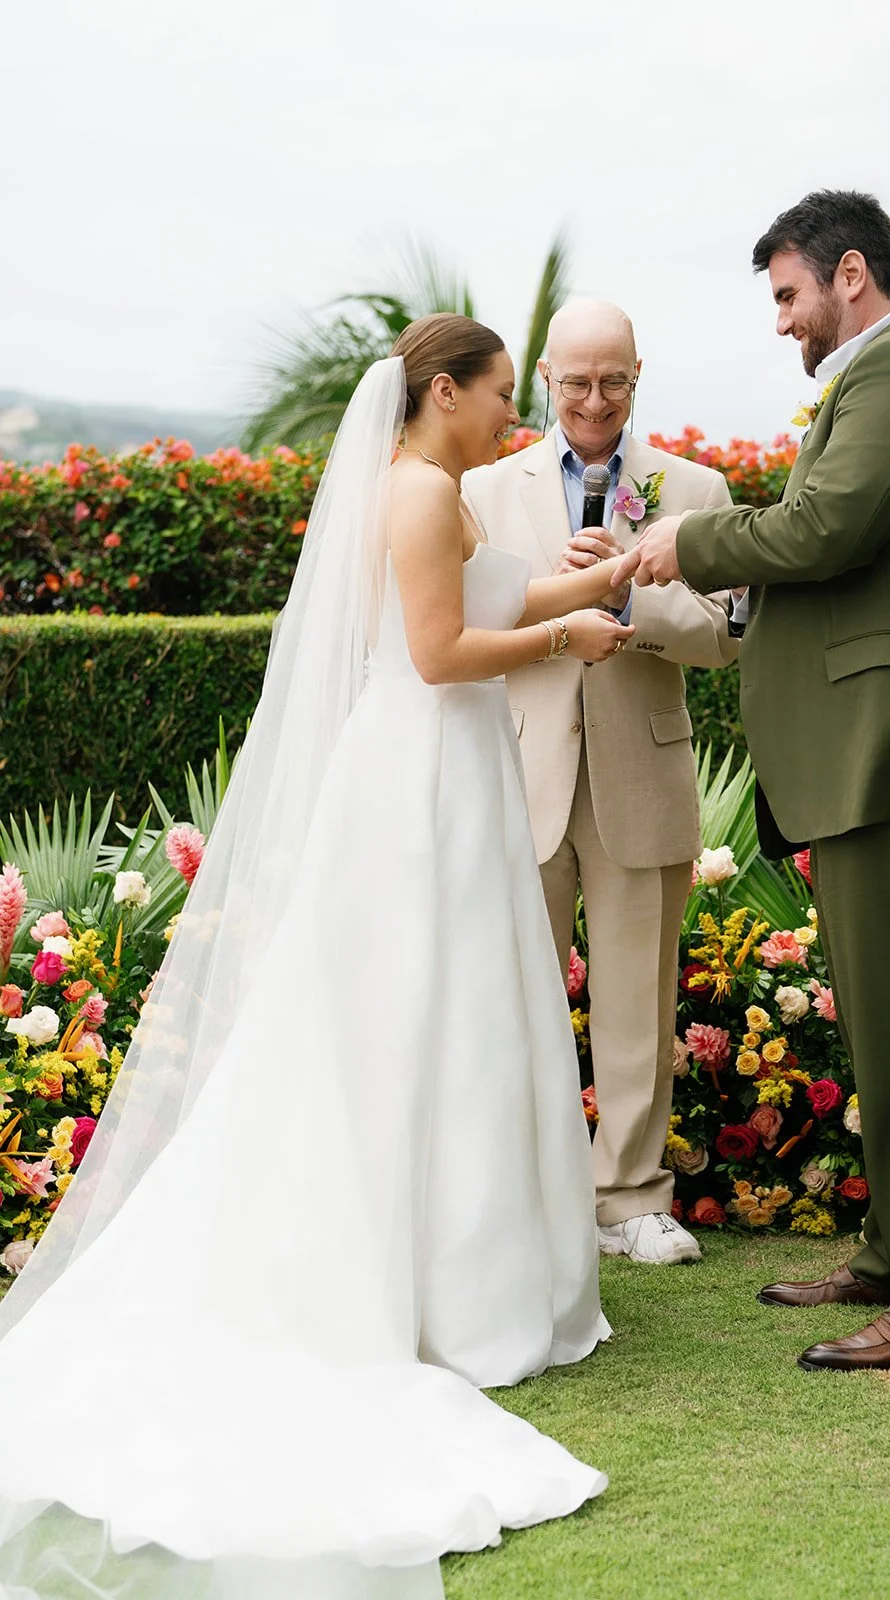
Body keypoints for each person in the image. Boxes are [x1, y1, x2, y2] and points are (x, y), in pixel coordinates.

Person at [0, 314, 634, 1599]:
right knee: (415, 1021)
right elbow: (439, 652)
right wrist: (566, 643)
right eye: (500, 391)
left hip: (459, 782)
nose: (513, 410)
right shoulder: (411, 494)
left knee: (472, 1022)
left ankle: (477, 1267)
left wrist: (605, 579)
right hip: (416, 791)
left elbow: (500, 596)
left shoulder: (440, 488)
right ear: (439, 391)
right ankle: (430, 1284)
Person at [616, 191, 890, 1371]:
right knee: (888, 1021)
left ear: (851, 273)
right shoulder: (887, 377)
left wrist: (683, 545)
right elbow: (846, 545)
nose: (783, 321)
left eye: (789, 294)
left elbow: (827, 527)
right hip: (883, 752)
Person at [463, 300, 741, 1266]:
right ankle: (524, 1192)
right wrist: (559, 598)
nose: (593, 400)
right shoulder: (488, 490)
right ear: (544, 377)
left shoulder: (695, 488)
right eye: (575, 382)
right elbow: (459, 622)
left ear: (637, 376)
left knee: (638, 998)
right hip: (518, 763)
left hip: (640, 766)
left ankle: (630, 1197)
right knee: (512, 994)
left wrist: (632, 594)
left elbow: (729, 637)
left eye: (612, 381)